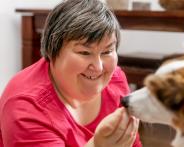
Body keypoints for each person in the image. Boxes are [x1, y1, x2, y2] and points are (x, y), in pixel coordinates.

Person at [0, 0, 142, 146]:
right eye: (85, 52)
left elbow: (133, 143)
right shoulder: (26, 107)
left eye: (107, 51)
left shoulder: (115, 79)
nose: (99, 67)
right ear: (52, 51)